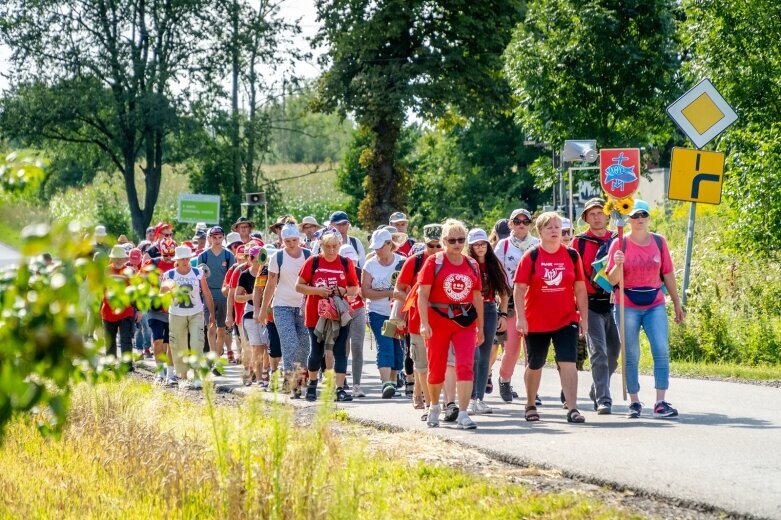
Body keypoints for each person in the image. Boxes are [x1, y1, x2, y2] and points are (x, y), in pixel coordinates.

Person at [606, 200, 685, 419]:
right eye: (634, 216)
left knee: (661, 349)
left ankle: (660, 402)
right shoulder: (619, 244)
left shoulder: (659, 242)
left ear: (649, 218)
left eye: (643, 215)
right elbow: (612, 279)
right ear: (628, 219)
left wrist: (677, 303)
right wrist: (617, 264)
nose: (639, 219)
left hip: (654, 302)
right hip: (627, 302)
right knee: (631, 353)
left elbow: (667, 273)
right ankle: (634, 401)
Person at [513, 212, 588, 423]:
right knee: (536, 363)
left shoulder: (572, 256)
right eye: (550, 227)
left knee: (569, 362)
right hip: (536, 319)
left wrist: (583, 316)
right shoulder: (532, 256)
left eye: (558, 227)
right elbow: (518, 290)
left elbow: (580, 288)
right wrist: (520, 318)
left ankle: (572, 408)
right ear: (540, 232)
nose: (555, 231)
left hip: (566, 318)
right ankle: (530, 404)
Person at [418, 219, 484, 430]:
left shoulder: (471, 264)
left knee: (465, 365)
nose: (457, 244)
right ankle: (435, 406)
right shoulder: (434, 262)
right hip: (438, 320)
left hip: (464, 321)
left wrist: (481, 327)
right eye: (452, 240)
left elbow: (477, 297)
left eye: (461, 239)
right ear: (444, 241)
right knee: (436, 367)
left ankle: (463, 413)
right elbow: (422, 294)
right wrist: (424, 323)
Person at [296, 230, 360, 402]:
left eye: (334, 246)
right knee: (316, 352)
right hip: (315, 315)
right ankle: (312, 386)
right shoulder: (313, 261)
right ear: (321, 246)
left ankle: (339, 389)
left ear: (339, 245)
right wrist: (318, 291)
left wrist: (343, 291)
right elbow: (299, 286)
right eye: (327, 247)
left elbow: (355, 288)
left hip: (339, 315)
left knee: (339, 352)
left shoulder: (346, 263)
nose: (331, 250)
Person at [571, 198, 620, 414]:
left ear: (608, 215)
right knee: (598, 351)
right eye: (592, 214)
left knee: (614, 352)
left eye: (600, 212)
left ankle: (596, 387)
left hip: (614, 302)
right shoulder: (579, 242)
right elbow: (573, 275)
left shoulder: (619, 239)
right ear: (586, 218)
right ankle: (604, 399)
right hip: (590, 303)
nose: (597, 217)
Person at [394, 224, 442, 417]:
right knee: (421, 362)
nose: (436, 250)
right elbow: (398, 289)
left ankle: (425, 395)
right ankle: (429, 402)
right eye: (431, 245)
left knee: (438, 363)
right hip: (418, 321)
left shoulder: (451, 261)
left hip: (445, 321)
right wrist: (414, 301)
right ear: (424, 242)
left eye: (440, 245)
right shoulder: (414, 261)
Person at [259, 224, 312, 397]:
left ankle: (300, 380)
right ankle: (292, 383)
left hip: (303, 306)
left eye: (294, 240)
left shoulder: (308, 256)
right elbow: (271, 284)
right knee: (291, 344)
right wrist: (263, 309)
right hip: (282, 306)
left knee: (304, 346)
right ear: (282, 240)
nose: (291, 244)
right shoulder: (277, 257)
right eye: (287, 241)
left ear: (299, 239)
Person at [494, 208, 539, 403]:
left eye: (525, 221)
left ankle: (532, 391)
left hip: (534, 301)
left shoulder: (537, 244)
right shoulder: (502, 246)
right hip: (511, 301)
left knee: (533, 350)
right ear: (510, 224)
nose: (521, 224)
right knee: (511, 349)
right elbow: (496, 274)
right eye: (517, 221)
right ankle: (504, 379)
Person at [466, 228, 511, 415]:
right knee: (472, 356)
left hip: (490, 309)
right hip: (468, 310)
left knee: (485, 357)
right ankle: (467, 397)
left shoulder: (494, 264)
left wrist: (503, 314)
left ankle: (479, 398)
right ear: (470, 246)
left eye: (483, 243)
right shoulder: (466, 263)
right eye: (476, 244)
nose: (480, 247)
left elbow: (504, 291)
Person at [163, 245, 216, 390]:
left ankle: (197, 376)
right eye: (182, 259)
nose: (185, 261)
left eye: (187, 258)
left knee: (197, 343)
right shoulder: (170, 275)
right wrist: (166, 289)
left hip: (196, 313)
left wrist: (212, 314)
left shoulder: (198, 273)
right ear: (177, 260)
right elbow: (163, 291)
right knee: (178, 345)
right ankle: (180, 376)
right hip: (176, 313)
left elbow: (206, 293)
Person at [363, 229, 406, 398]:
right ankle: (385, 383)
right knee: (385, 344)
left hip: (397, 314)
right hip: (377, 313)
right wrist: (389, 293)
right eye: (375, 248)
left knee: (397, 348)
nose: (377, 251)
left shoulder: (402, 262)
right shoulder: (370, 265)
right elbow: (365, 292)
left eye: (380, 247)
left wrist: (395, 295)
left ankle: (393, 383)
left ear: (389, 245)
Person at [197, 226, 235, 371]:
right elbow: (201, 278)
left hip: (224, 296)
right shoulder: (204, 256)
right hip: (208, 295)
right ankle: (212, 357)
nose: (217, 240)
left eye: (220, 237)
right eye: (214, 237)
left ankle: (218, 357)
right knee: (210, 326)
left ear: (223, 237)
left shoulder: (228, 255)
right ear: (209, 238)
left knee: (222, 329)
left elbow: (231, 279)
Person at [235, 245, 269, 386]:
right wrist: (254, 295)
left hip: (268, 311)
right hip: (250, 312)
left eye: (262, 258)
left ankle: (266, 373)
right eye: (255, 259)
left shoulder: (268, 272)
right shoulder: (244, 275)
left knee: (267, 346)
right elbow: (237, 296)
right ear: (249, 259)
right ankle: (259, 378)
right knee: (256, 346)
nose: (259, 261)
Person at [100, 245, 138, 369]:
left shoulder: (130, 272)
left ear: (124, 259)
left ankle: (127, 364)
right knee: (109, 339)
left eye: (120, 258)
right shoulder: (105, 271)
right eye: (115, 258)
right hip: (108, 310)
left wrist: (137, 310)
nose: (118, 260)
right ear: (112, 258)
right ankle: (110, 363)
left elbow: (135, 292)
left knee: (126, 339)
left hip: (125, 311)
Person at [338, 242, 367, 397]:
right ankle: (340, 382)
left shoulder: (359, 272)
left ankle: (357, 385)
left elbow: (365, 293)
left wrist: (361, 292)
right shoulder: (337, 271)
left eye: (353, 261)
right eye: (348, 260)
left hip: (357, 310)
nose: (352, 264)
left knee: (357, 346)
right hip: (340, 312)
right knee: (342, 347)